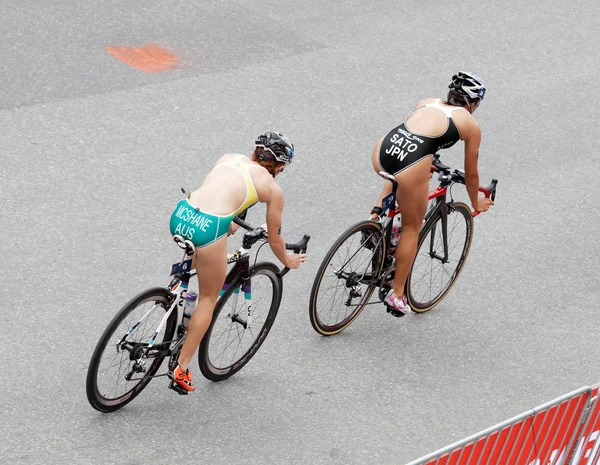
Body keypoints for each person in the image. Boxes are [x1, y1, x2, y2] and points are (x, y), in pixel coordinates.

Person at [168, 131, 306, 392]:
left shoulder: (229, 157)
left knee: (198, 263)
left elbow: (218, 193)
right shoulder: (273, 189)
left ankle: (175, 296)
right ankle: (181, 368)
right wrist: (287, 259)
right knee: (209, 298)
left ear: (255, 151)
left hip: (182, 213)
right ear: (279, 166)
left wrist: (230, 221)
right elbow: (275, 239)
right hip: (209, 226)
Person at [370, 72, 494, 315]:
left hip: (382, 151)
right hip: (412, 162)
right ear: (472, 102)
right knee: (411, 228)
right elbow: (471, 175)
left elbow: (419, 135)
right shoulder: (470, 124)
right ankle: (396, 294)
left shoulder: (426, 101)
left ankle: (374, 222)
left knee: (403, 174)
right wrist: (475, 202)